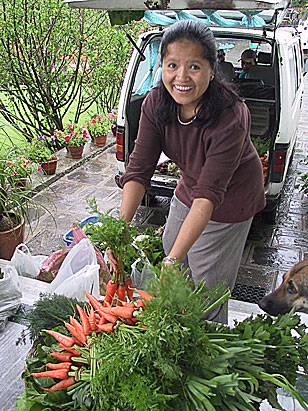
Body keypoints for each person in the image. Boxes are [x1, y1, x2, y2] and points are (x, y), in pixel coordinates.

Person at [108, 20, 265, 323]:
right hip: (191, 183)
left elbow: (207, 197)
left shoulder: (231, 115)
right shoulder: (156, 103)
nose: (181, 77)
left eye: (194, 66)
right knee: (172, 245)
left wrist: (172, 261)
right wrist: (119, 232)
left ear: (211, 69)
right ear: (161, 67)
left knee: (207, 278)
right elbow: (139, 169)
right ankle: (179, 316)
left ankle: (207, 336)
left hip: (231, 197)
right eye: (172, 65)